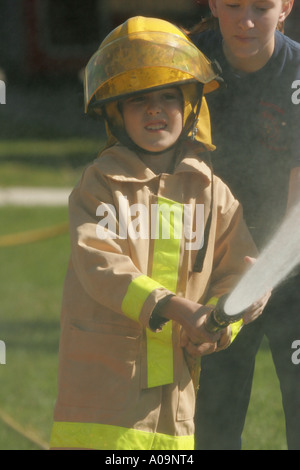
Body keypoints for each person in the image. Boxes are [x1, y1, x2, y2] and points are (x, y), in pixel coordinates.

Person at [49, 16, 267, 451]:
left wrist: (226, 321)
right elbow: (101, 266)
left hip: (173, 407)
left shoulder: (211, 192)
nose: (155, 109)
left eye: (168, 96)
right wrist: (172, 306)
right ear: (114, 113)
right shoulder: (100, 184)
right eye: (138, 100)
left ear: (190, 109)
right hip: (104, 399)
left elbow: (234, 273)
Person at [189, 0, 300, 450]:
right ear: (214, 4)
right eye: (233, 4)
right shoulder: (183, 63)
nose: (246, 20)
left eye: (261, 6)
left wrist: (266, 273)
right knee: (213, 425)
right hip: (212, 267)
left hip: (290, 267)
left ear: (286, 7)